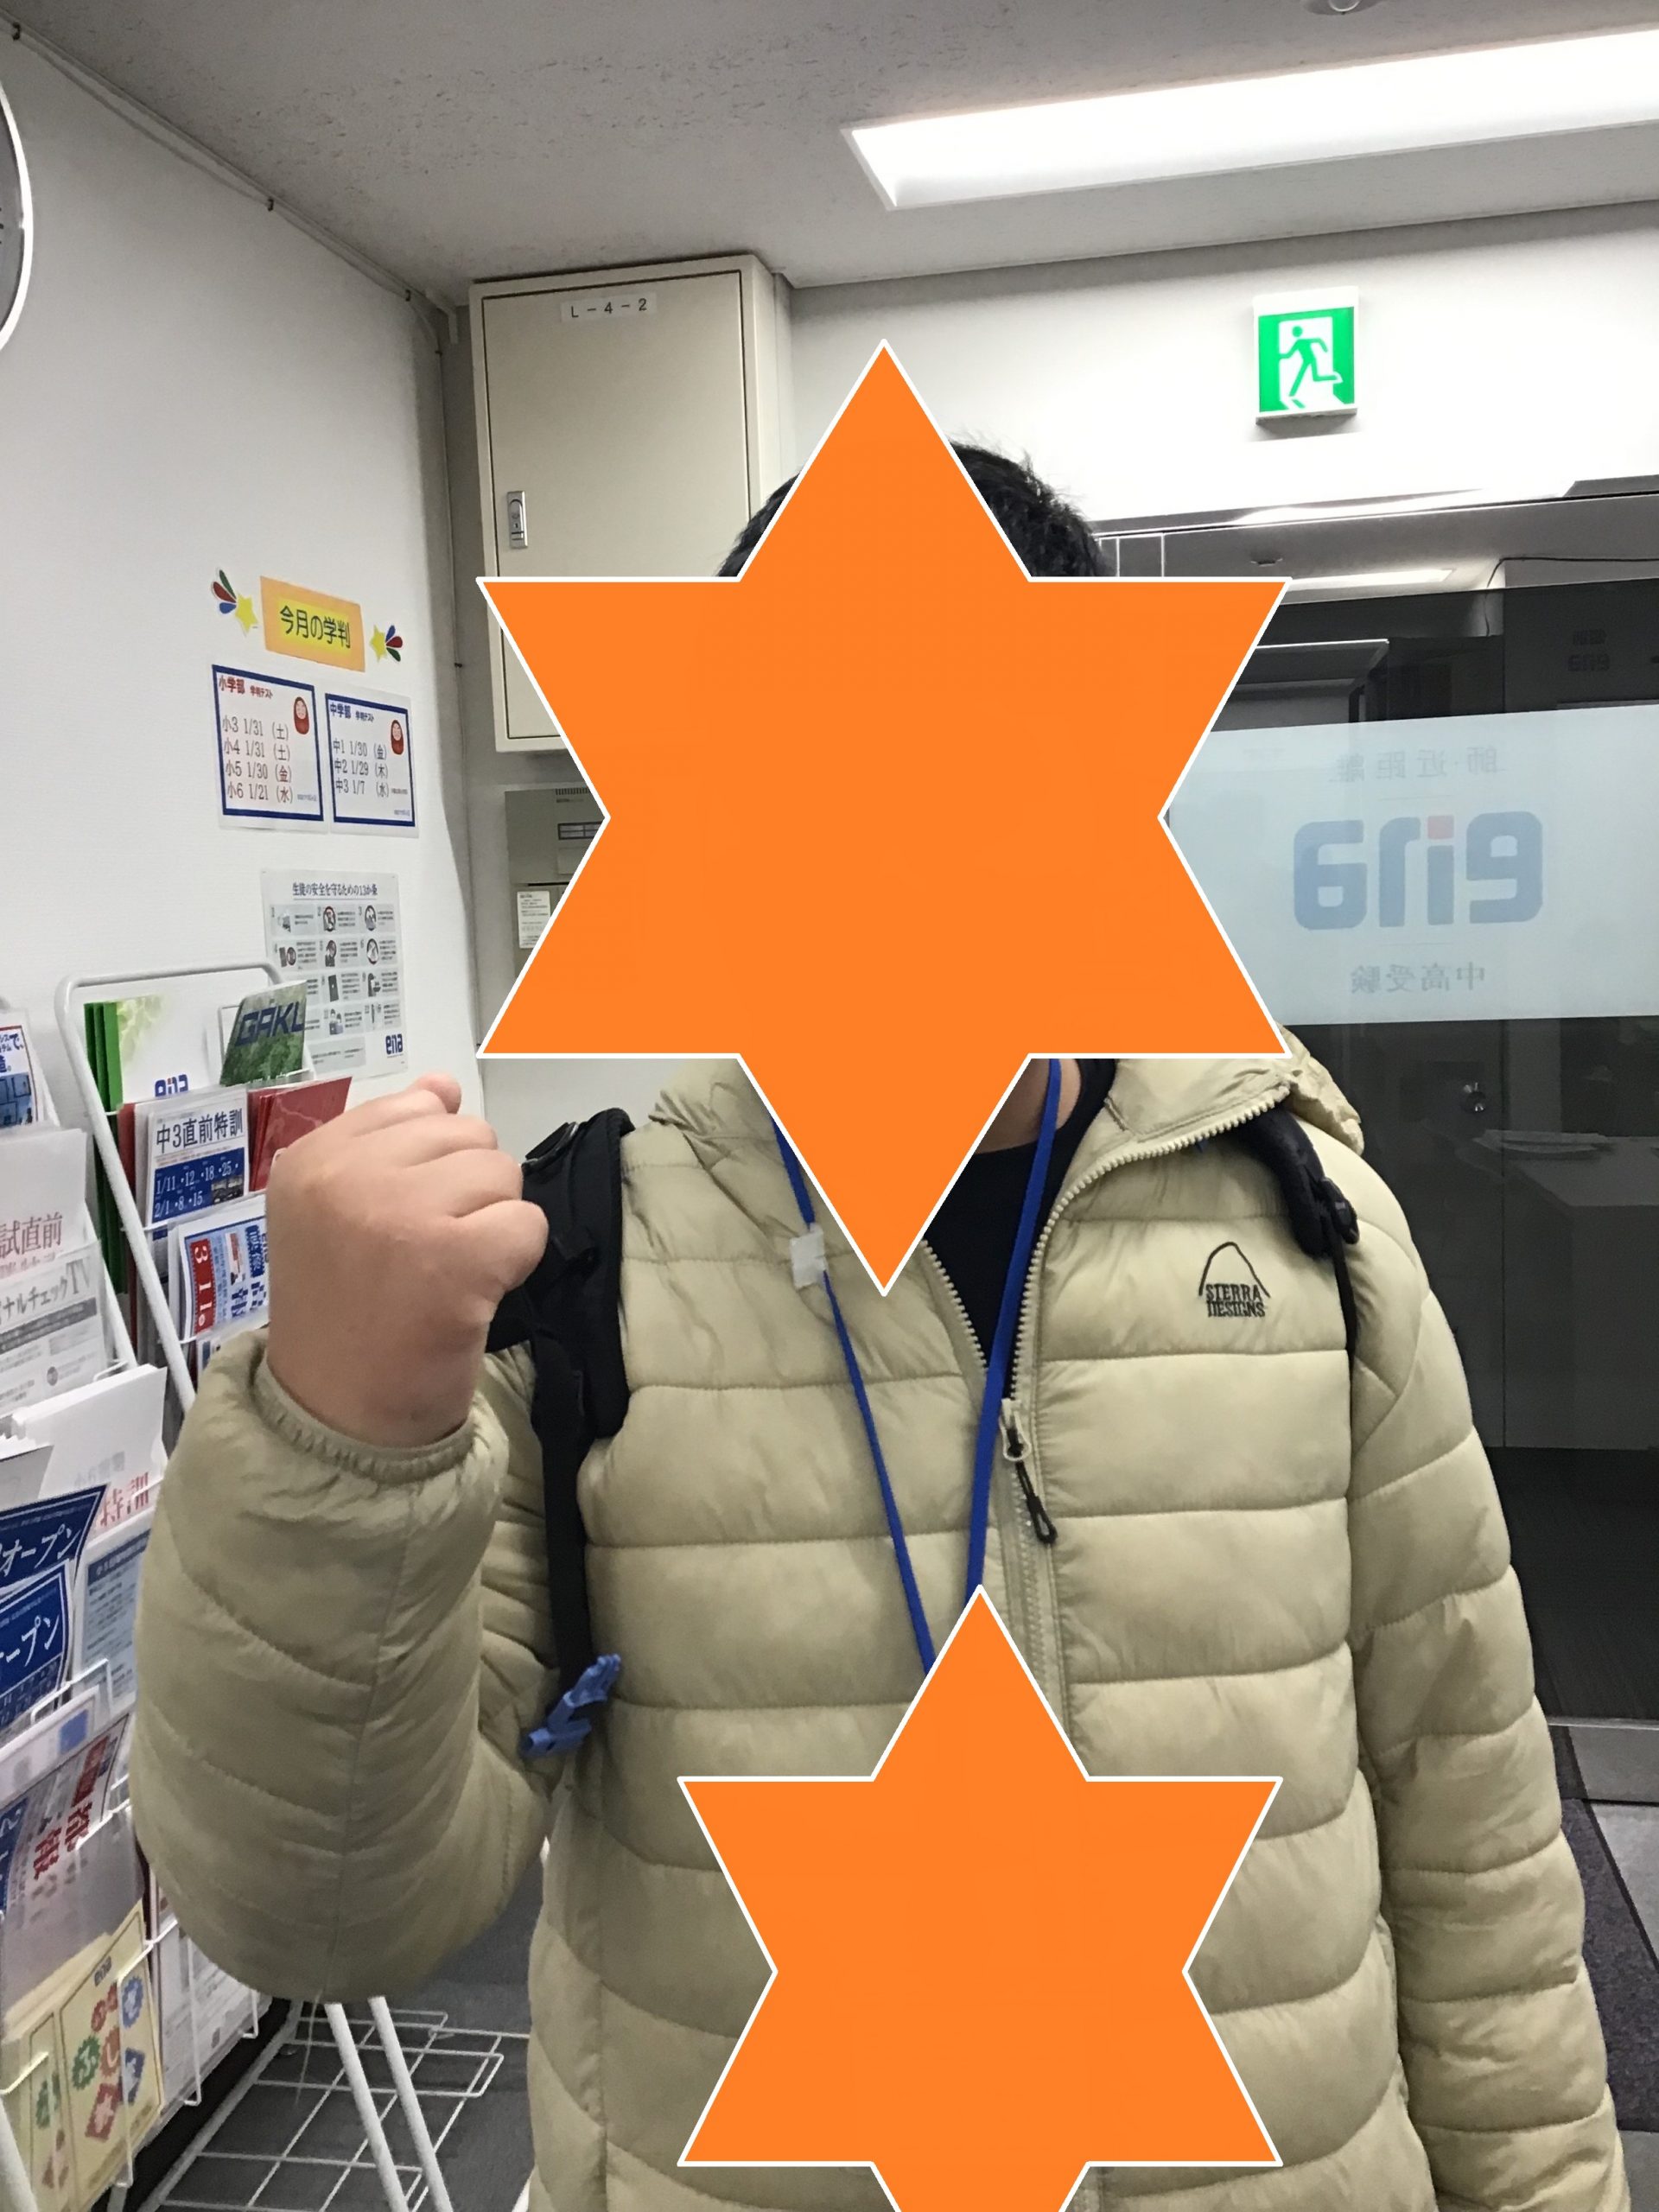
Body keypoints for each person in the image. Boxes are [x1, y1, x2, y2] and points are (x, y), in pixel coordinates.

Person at [130, 450, 1627, 2212]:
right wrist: (336, 1446)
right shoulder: (585, 1271)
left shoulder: (1317, 1234)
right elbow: (322, 1912)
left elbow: (1476, 1838)